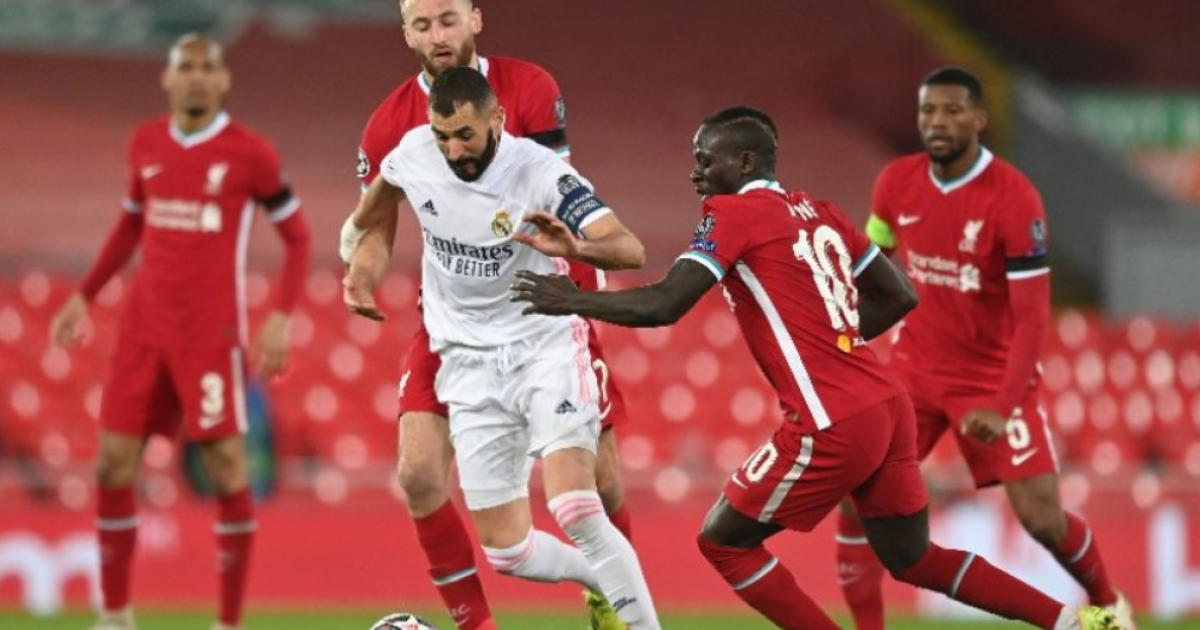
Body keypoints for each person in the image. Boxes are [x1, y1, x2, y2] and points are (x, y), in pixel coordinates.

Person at [511, 105, 1119, 630]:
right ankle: (1071, 621)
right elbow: (900, 294)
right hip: (887, 404)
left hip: (832, 418)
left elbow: (665, 303)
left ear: (744, 162)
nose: (695, 172)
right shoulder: (821, 211)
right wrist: (837, 338)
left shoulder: (732, 214)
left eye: (705, 159)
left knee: (723, 543)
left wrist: (572, 299)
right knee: (913, 558)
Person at [349, 2, 636, 628]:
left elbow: (559, 194)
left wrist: (582, 283)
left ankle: (616, 606)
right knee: (418, 473)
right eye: (422, 25)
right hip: (453, 323)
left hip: (541, 309)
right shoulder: (389, 125)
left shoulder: (528, 88)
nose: (437, 35)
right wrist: (362, 273)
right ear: (405, 32)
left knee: (602, 481)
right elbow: (375, 227)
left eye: (447, 19)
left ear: (475, 19)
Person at [835, 67, 1134, 630]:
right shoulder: (896, 182)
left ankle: (1108, 605)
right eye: (928, 111)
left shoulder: (1014, 198)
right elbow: (871, 262)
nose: (937, 122)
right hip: (916, 370)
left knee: (1042, 520)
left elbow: (1032, 317)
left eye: (951, 111)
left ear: (979, 118)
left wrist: (1002, 404)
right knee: (858, 490)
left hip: (992, 377)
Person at [48, 34, 312, 630]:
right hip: (142, 331)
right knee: (112, 467)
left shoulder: (251, 153)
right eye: (185, 67)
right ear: (167, 79)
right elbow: (129, 225)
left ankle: (228, 621)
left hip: (208, 335)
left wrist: (280, 316)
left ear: (223, 80)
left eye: (206, 67)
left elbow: (297, 236)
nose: (195, 76)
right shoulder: (145, 142)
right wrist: (84, 295)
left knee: (227, 472)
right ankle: (115, 617)